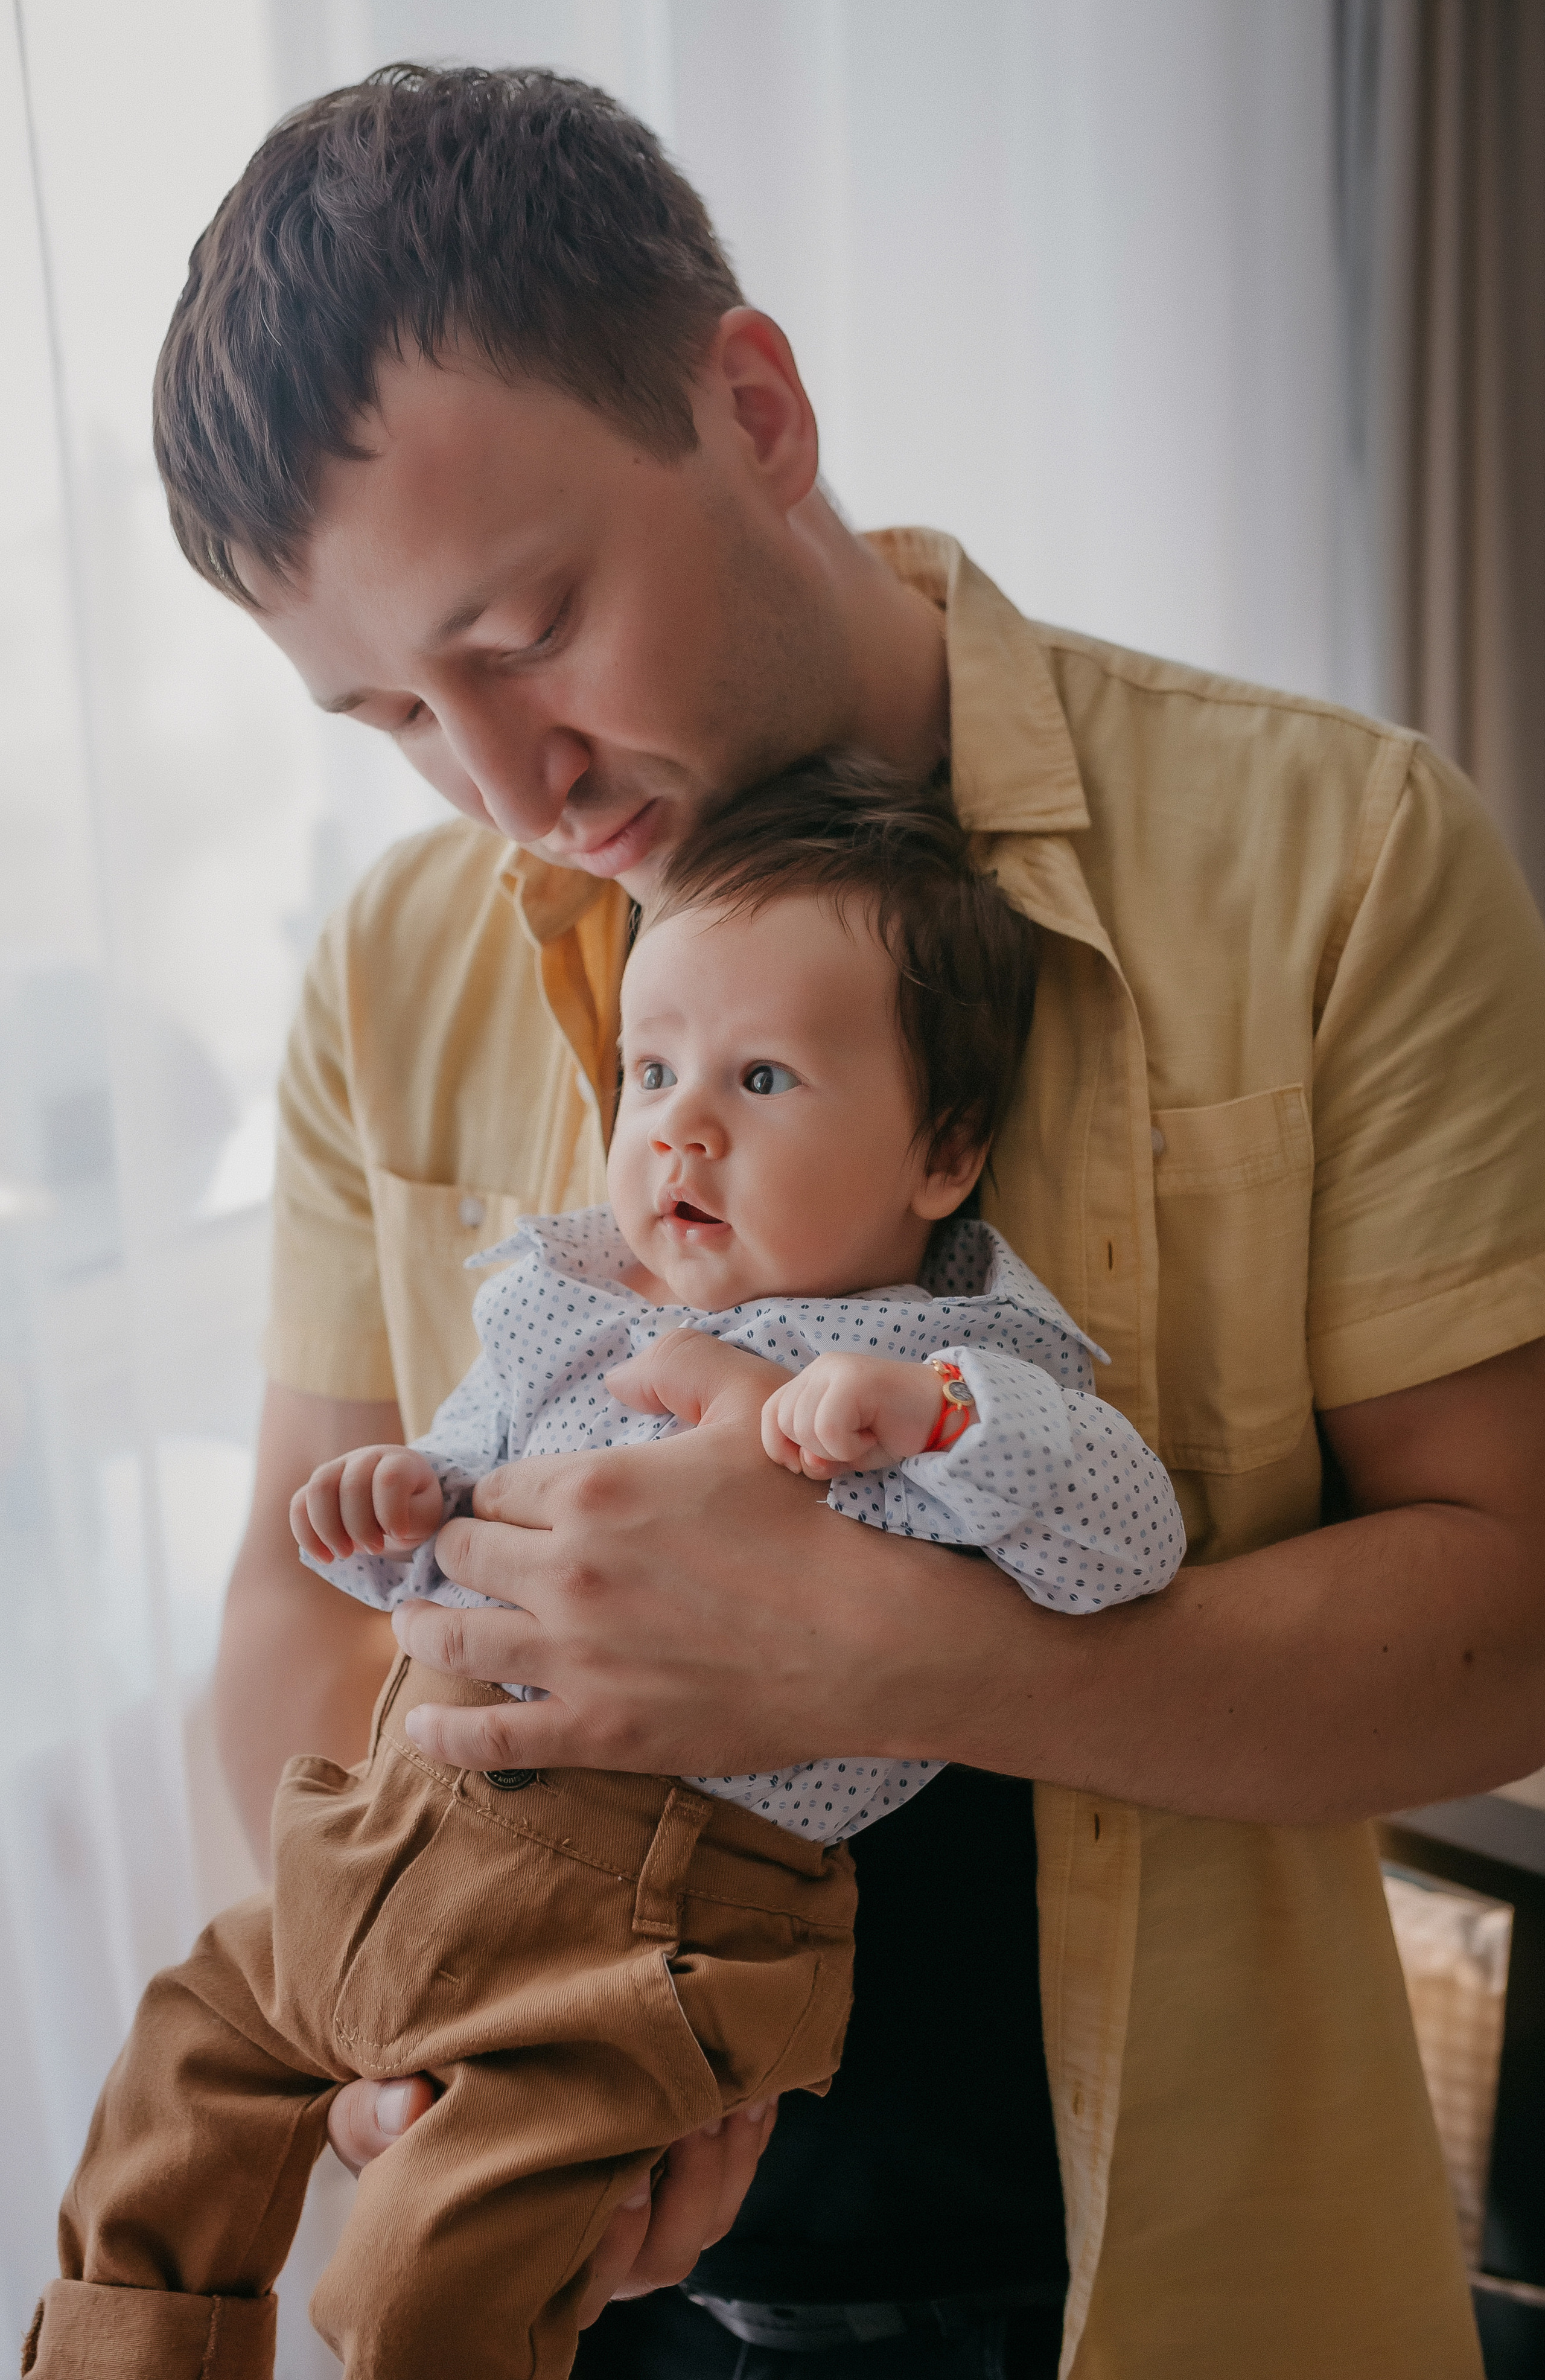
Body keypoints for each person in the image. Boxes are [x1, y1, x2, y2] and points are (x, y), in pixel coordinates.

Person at [94, 56, 1545, 2380]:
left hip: (1164, 2290)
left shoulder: (1342, 865)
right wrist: (400, 2041)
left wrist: (890, 1658)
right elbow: (293, 1579)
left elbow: (1517, 1602)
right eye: (388, 714)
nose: (506, 793)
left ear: (752, 408)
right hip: (582, 2289)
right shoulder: (396, 967)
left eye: (529, 628)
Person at [28, 773, 1185, 2380]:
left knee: (442, 2267)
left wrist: (933, 1420)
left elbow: (1127, 1542)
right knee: (180, 2068)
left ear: (946, 1149)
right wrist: (395, 1507)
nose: (680, 1125)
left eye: (762, 1076)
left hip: (643, 1921)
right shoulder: (563, 1306)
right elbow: (437, 1549)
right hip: (388, 1837)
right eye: (651, 1071)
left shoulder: (950, 1358)